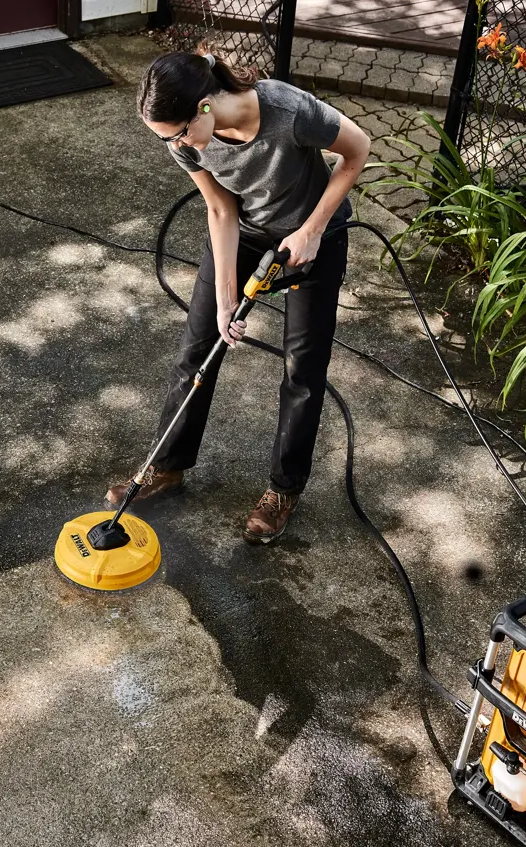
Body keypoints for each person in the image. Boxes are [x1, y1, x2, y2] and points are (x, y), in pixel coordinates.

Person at [107, 50, 370, 543]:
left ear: (204, 107)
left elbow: (357, 148)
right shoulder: (184, 140)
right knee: (198, 346)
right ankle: (167, 467)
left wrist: (312, 230)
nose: (177, 146)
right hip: (245, 233)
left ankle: (283, 490)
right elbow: (221, 210)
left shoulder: (288, 111)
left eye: (179, 133)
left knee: (303, 369)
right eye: (167, 138)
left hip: (315, 239)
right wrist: (227, 296)